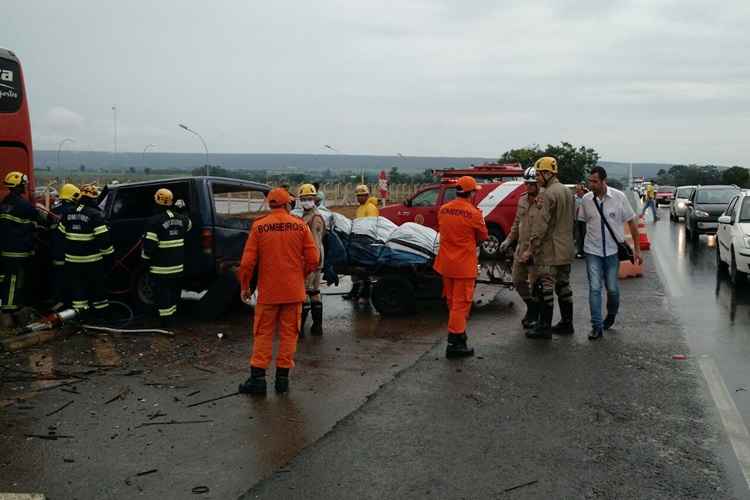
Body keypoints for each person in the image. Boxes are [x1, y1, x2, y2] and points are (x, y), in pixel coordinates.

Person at [237, 188, 319, 395]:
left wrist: (245, 286)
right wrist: (299, 277)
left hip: (269, 293)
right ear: (288, 204)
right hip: (293, 291)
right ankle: (282, 381)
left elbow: (247, 263)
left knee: (263, 334)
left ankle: (258, 380)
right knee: (289, 334)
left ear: (270, 204)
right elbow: (313, 259)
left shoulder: (259, 227)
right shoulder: (300, 226)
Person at [578, 166, 641, 340]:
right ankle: (596, 327)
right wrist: (580, 249)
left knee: (612, 289)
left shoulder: (619, 198)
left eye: (595, 182)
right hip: (592, 251)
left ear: (604, 181)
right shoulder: (586, 200)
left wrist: (637, 250)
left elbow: (633, 225)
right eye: (590, 181)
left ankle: (611, 315)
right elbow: (582, 224)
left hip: (612, 252)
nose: (591, 184)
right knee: (595, 288)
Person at [433, 176, 488, 358]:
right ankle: (455, 343)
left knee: (451, 303)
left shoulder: (444, 209)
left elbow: (441, 229)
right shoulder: (474, 213)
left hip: (446, 265)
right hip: (464, 267)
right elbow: (483, 236)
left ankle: (459, 335)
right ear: (471, 193)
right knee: (461, 305)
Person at [523, 157, 575, 339]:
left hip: (550, 250)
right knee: (564, 286)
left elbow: (540, 225)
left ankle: (544, 327)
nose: (536, 178)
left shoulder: (546, 194)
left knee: (545, 286)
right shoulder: (567, 192)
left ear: (547, 173)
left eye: (538, 174)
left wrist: (531, 248)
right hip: (566, 248)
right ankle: (567, 323)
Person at [58, 184, 114, 320]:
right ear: (94, 199)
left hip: (72, 261)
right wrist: (110, 257)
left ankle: (81, 316)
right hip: (92, 261)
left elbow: (60, 236)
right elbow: (104, 240)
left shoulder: (68, 213)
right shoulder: (95, 215)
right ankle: (102, 317)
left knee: (78, 290)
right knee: (97, 290)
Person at [0, 172, 47, 326]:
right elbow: (40, 219)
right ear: (19, 186)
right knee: (14, 278)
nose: (25, 187)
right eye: (24, 185)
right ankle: (9, 309)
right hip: (18, 249)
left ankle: (8, 304)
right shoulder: (23, 204)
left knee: (7, 277)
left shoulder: (5, 203)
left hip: (5, 248)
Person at [141, 188, 192, 327]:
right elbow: (189, 225)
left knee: (163, 295)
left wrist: (145, 263)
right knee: (174, 293)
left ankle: (166, 323)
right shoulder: (182, 219)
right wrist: (182, 210)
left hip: (160, 268)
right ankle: (173, 317)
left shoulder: (153, 221)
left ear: (156, 201)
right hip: (178, 267)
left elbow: (149, 247)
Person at [499, 167, 542, 330]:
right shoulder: (522, 200)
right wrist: (508, 239)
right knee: (517, 280)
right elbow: (517, 223)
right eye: (526, 184)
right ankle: (531, 306)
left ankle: (536, 315)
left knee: (536, 284)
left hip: (537, 250)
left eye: (532, 184)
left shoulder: (544, 201)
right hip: (521, 247)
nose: (528, 187)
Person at [344, 184, 380, 304]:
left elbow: (371, 226)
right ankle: (355, 291)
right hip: (359, 241)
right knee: (356, 267)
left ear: (367, 195)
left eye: (362, 196)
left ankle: (366, 293)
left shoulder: (370, 208)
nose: (359, 198)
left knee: (364, 268)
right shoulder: (360, 208)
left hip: (367, 241)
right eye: (358, 196)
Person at [298, 183, 326, 336]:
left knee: (305, 292)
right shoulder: (308, 215)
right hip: (316, 258)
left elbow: (315, 242)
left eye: (309, 198)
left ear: (315, 199)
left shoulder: (315, 218)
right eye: (303, 199)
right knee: (314, 291)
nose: (305, 201)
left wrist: (311, 263)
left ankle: (301, 328)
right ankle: (317, 327)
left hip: (312, 259)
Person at [50, 183, 82, 309]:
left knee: (57, 276)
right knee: (69, 278)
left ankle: (57, 300)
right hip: (68, 250)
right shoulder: (71, 211)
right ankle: (66, 302)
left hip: (55, 249)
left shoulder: (54, 211)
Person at [575, 183, 587, 259]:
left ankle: (585, 251)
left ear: (582, 190)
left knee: (585, 235)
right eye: (577, 190)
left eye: (579, 190)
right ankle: (579, 251)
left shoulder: (586, 198)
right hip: (576, 219)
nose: (578, 191)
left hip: (585, 220)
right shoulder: (574, 198)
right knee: (578, 236)